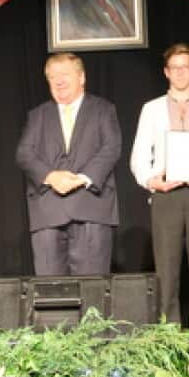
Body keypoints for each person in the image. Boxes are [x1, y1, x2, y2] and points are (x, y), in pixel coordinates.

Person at [129, 43, 189, 329]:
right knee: (167, 276)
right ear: (166, 72)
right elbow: (139, 156)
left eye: (186, 67)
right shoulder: (152, 109)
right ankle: (170, 344)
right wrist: (151, 179)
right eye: (175, 68)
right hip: (166, 196)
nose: (180, 73)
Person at [16, 52, 122, 274]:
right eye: (52, 77)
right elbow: (24, 153)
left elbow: (111, 148)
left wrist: (81, 179)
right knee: (50, 293)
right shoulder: (37, 115)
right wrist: (52, 177)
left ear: (81, 77)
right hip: (48, 211)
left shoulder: (103, 109)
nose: (58, 81)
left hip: (91, 206)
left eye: (64, 74)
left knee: (91, 293)